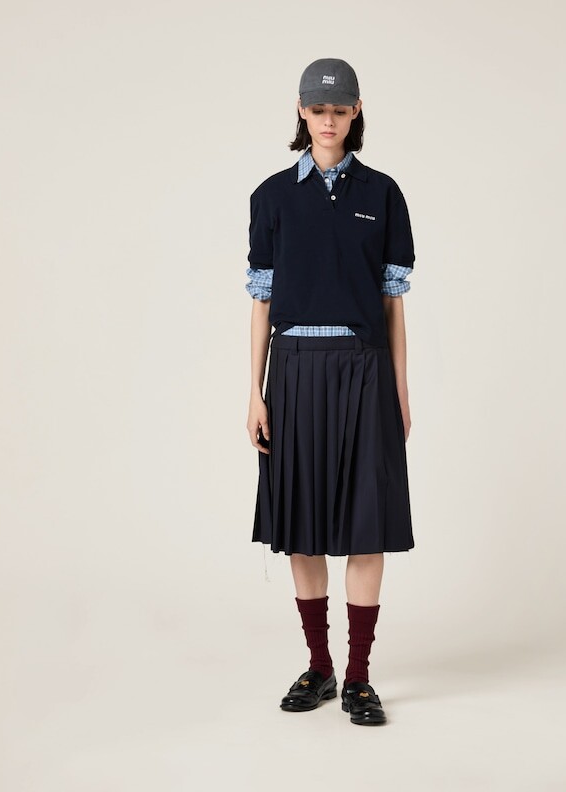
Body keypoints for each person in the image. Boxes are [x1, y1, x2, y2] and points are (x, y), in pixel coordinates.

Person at [245, 57, 416, 726]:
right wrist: (255, 392)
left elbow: (393, 303)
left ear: (356, 112)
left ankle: (358, 677)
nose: (328, 120)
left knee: (366, 528)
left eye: (339, 110)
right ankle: (318, 665)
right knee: (304, 529)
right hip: (292, 369)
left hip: (364, 369)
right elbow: (261, 302)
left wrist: (400, 390)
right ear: (301, 111)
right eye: (318, 110)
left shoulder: (383, 194)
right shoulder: (271, 198)